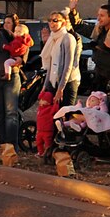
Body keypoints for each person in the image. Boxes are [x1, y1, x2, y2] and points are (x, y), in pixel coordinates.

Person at [0, 13, 31, 146]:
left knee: (11, 113)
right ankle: (2, 144)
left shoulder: (8, 35)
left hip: (12, 78)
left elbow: (25, 43)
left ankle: (12, 146)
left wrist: (22, 59)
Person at [36, 12, 75, 159]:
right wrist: (46, 85)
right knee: (51, 117)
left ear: (64, 22)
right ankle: (50, 150)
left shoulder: (67, 39)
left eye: (55, 21)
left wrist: (61, 88)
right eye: (50, 21)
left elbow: (67, 66)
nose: (52, 24)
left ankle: (64, 153)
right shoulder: (53, 39)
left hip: (68, 82)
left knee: (64, 117)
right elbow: (51, 65)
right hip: (53, 80)